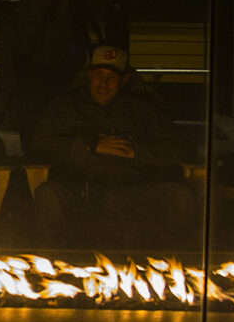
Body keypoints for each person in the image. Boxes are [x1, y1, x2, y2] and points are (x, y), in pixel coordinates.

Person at [26, 44, 199, 241]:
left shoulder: (143, 109)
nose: (103, 84)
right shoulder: (66, 106)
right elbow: (40, 143)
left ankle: (174, 266)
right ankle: (53, 265)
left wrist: (138, 151)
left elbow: (185, 147)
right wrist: (89, 147)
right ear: (89, 75)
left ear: (124, 80)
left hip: (137, 189)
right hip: (83, 189)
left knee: (181, 196)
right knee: (48, 195)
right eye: (99, 75)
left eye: (111, 78)